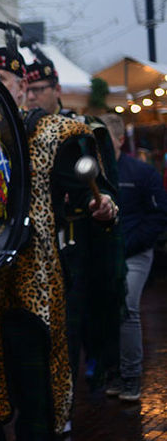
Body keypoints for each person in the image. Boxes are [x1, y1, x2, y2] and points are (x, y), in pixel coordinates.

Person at [0, 45, 117, 440]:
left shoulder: (55, 134)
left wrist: (104, 205)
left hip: (31, 282)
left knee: (36, 393)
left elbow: (87, 194)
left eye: (1, 83)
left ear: (23, 88)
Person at [25, 57, 124, 395]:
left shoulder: (84, 129)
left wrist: (105, 204)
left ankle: (94, 369)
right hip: (36, 242)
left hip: (81, 239)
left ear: (57, 89)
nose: (33, 96)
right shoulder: (21, 131)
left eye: (40, 89)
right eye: (29, 90)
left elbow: (106, 182)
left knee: (83, 310)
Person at [100, 112, 167, 402]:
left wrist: (131, 244)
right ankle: (114, 372)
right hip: (104, 254)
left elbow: (158, 216)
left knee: (127, 307)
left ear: (118, 140)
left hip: (134, 253)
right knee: (103, 311)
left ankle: (131, 376)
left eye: (102, 139)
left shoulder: (141, 173)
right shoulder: (93, 175)